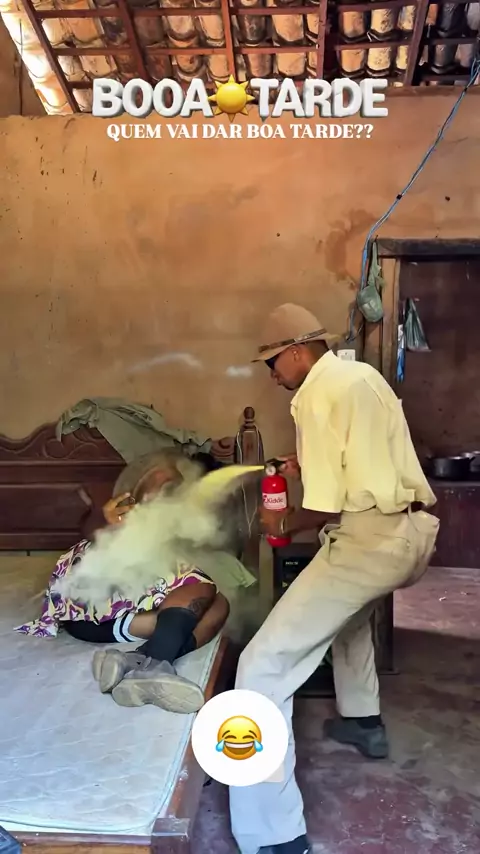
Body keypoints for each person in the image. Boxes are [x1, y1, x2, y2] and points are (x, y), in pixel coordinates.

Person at [229, 303, 440, 854]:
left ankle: (274, 835)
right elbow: (365, 458)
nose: (272, 376)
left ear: (297, 352)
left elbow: (324, 509)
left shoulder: (314, 395)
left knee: (261, 666)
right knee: (348, 620)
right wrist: (304, 465)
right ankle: (363, 721)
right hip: (409, 535)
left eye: (272, 363)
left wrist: (282, 522)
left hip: (367, 544)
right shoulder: (360, 376)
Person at [15, 451, 231, 714]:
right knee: (200, 586)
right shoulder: (114, 517)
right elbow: (93, 530)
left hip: (104, 624)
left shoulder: (161, 525)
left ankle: (134, 660)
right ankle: (155, 664)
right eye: (162, 486)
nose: (170, 493)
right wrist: (107, 523)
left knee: (218, 605)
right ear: (134, 490)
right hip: (90, 619)